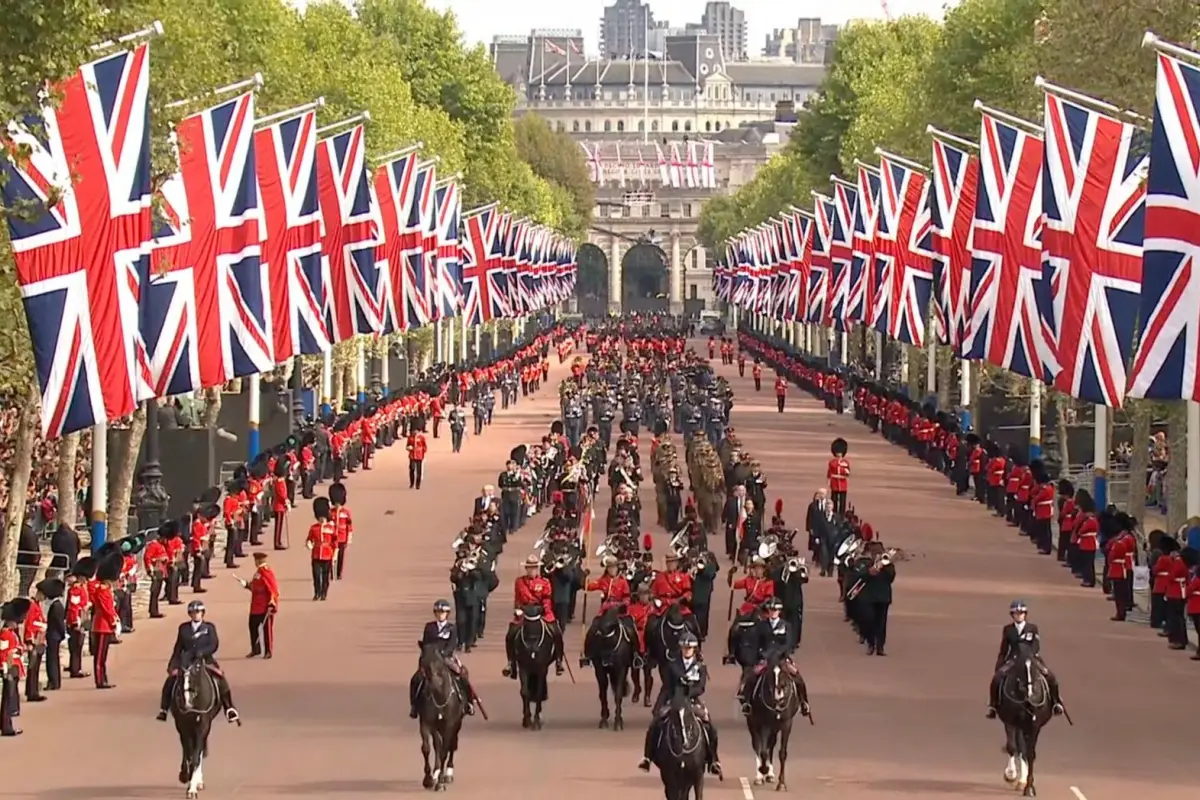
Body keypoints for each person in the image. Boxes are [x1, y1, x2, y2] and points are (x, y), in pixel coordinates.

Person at [637, 632, 722, 778]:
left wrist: (689, 691)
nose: (686, 651)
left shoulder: (700, 666)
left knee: (710, 726)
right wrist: (666, 701)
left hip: (692, 701)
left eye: (689, 648)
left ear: (694, 649)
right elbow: (668, 685)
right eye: (684, 648)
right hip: (674, 699)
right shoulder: (672, 665)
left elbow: (701, 687)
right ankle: (647, 758)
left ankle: (713, 759)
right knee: (655, 724)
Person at [156, 600, 240, 724]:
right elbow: (178, 647)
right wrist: (173, 664)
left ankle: (229, 708)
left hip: (205, 659)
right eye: (193, 612)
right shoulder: (183, 628)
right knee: (170, 681)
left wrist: (202, 652)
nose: (195, 614)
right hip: (187, 660)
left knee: (221, 679)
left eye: (198, 612)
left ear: (202, 613)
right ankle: (164, 709)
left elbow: (214, 644)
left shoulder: (209, 627)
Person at [986, 600, 1063, 718]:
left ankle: (1056, 703)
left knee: (1051, 677)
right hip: (1014, 659)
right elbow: (1004, 649)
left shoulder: (1032, 628)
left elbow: (1036, 645)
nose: (1019, 615)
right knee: (996, 679)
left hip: (1031, 658)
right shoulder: (1008, 629)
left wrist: (1030, 655)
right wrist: (999, 664)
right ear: (1012, 615)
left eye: (1021, 613)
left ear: (1025, 614)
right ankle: (993, 706)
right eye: (1016, 613)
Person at [409, 599, 474, 718]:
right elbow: (426, 643)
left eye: (442, 612)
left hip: (447, 658)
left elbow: (453, 644)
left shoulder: (452, 628)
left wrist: (444, 653)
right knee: (416, 679)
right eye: (438, 612)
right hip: (432, 658)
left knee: (463, 674)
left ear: (447, 614)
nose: (440, 615)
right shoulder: (429, 627)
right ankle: (414, 706)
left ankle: (469, 702)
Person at [504, 554, 564, 677]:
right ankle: (510, 663)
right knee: (510, 634)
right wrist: (518, 609)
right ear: (526, 569)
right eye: (530, 568)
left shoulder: (545, 582)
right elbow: (518, 599)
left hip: (541, 611)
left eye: (534, 568)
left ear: (538, 569)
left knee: (557, 633)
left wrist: (544, 610)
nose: (532, 570)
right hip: (525, 611)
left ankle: (558, 661)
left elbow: (547, 599)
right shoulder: (519, 582)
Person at [240, 553, 279, 658]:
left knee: (267, 630)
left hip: (265, 606)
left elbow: (273, 589)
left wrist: (272, 602)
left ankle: (268, 651)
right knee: (253, 626)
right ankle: (255, 649)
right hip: (256, 606)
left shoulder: (266, 572)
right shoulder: (258, 572)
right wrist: (247, 585)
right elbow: (256, 587)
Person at [306, 497, 337, 601]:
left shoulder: (331, 528)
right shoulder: (314, 528)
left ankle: (324, 593)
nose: (322, 519)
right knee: (316, 575)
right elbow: (309, 539)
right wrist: (309, 544)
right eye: (320, 517)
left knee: (325, 576)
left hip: (327, 554)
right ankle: (317, 593)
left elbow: (335, 543)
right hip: (316, 554)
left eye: (323, 517)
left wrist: (335, 555)